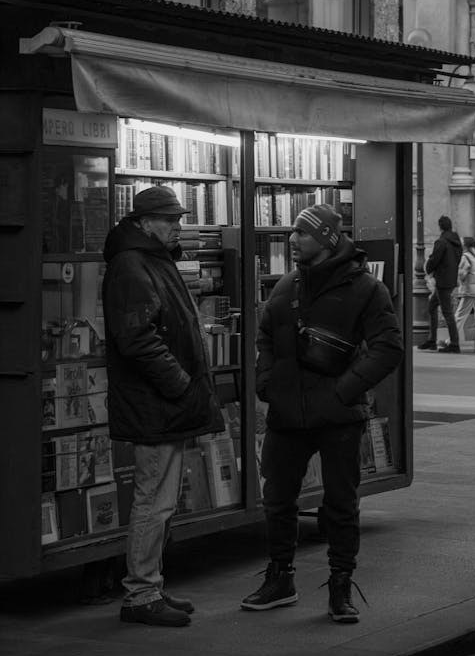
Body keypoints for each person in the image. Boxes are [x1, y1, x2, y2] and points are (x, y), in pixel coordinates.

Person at [241, 204, 403, 624]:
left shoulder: (366, 289)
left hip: (338, 418)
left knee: (341, 505)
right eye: (292, 232)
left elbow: (389, 349)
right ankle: (280, 579)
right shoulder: (287, 286)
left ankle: (340, 587)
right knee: (277, 500)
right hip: (287, 415)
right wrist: (266, 384)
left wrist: (343, 391)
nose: (293, 240)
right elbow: (266, 335)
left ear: (328, 238)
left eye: (302, 233)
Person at [103, 186, 224, 627]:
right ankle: (139, 594)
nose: (178, 227)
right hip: (155, 403)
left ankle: (150, 585)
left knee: (162, 501)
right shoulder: (131, 265)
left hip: (165, 403)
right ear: (143, 223)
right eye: (169, 220)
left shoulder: (151, 260)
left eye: (178, 219)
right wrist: (179, 383)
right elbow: (136, 337)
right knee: (153, 500)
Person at [418, 215, 462, 353]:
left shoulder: (441, 242)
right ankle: (432, 340)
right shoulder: (456, 242)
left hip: (442, 281)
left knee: (447, 312)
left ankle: (454, 344)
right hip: (450, 280)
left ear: (440, 227)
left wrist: (428, 269)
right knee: (432, 307)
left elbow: (434, 260)